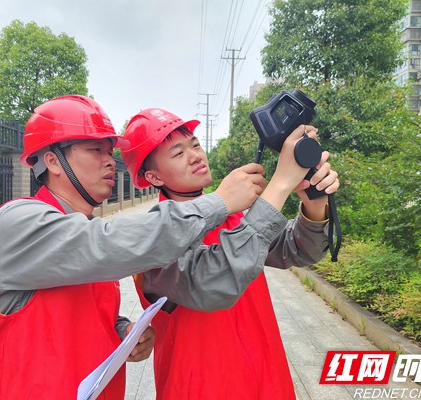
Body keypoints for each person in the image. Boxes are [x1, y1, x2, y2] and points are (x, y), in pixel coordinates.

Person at [0, 95, 305, 400]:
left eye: (110, 151)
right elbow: (109, 243)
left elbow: (69, 314)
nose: (109, 161)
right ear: (53, 162)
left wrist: (120, 329)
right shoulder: (19, 222)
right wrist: (228, 199)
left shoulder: (88, 233)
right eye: (94, 150)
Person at [121, 107, 339, 400]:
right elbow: (215, 282)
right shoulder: (155, 236)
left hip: (264, 379)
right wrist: (281, 182)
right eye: (178, 153)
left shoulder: (231, 214)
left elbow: (297, 250)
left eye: (195, 145)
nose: (196, 155)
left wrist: (313, 198)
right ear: (154, 177)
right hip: (200, 388)